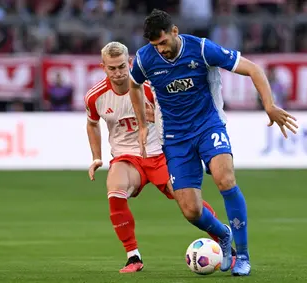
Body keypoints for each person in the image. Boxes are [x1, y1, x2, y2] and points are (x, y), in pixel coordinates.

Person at [129, 9, 298, 276]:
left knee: (225, 179)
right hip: (174, 137)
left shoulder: (202, 49)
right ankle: (223, 234)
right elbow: (134, 85)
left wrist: (270, 105)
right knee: (191, 210)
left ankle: (243, 256)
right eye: (155, 45)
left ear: (174, 32)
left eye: (163, 42)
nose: (160, 50)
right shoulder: (144, 58)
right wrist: (141, 123)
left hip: (208, 125)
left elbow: (252, 68)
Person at [85, 41, 235, 274]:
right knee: (114, 189)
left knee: (189, 204)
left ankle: (225, 242)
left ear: (130, 63)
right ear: (103, 67)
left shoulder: (150, 88)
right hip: (127, 158)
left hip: (160, 155)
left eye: (122, 66)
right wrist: (97, 157)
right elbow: (92, 123)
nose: (118, 73)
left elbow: (179, 112)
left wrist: (157, 116)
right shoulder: (95, 97)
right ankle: (133, 256)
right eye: (112, 68)